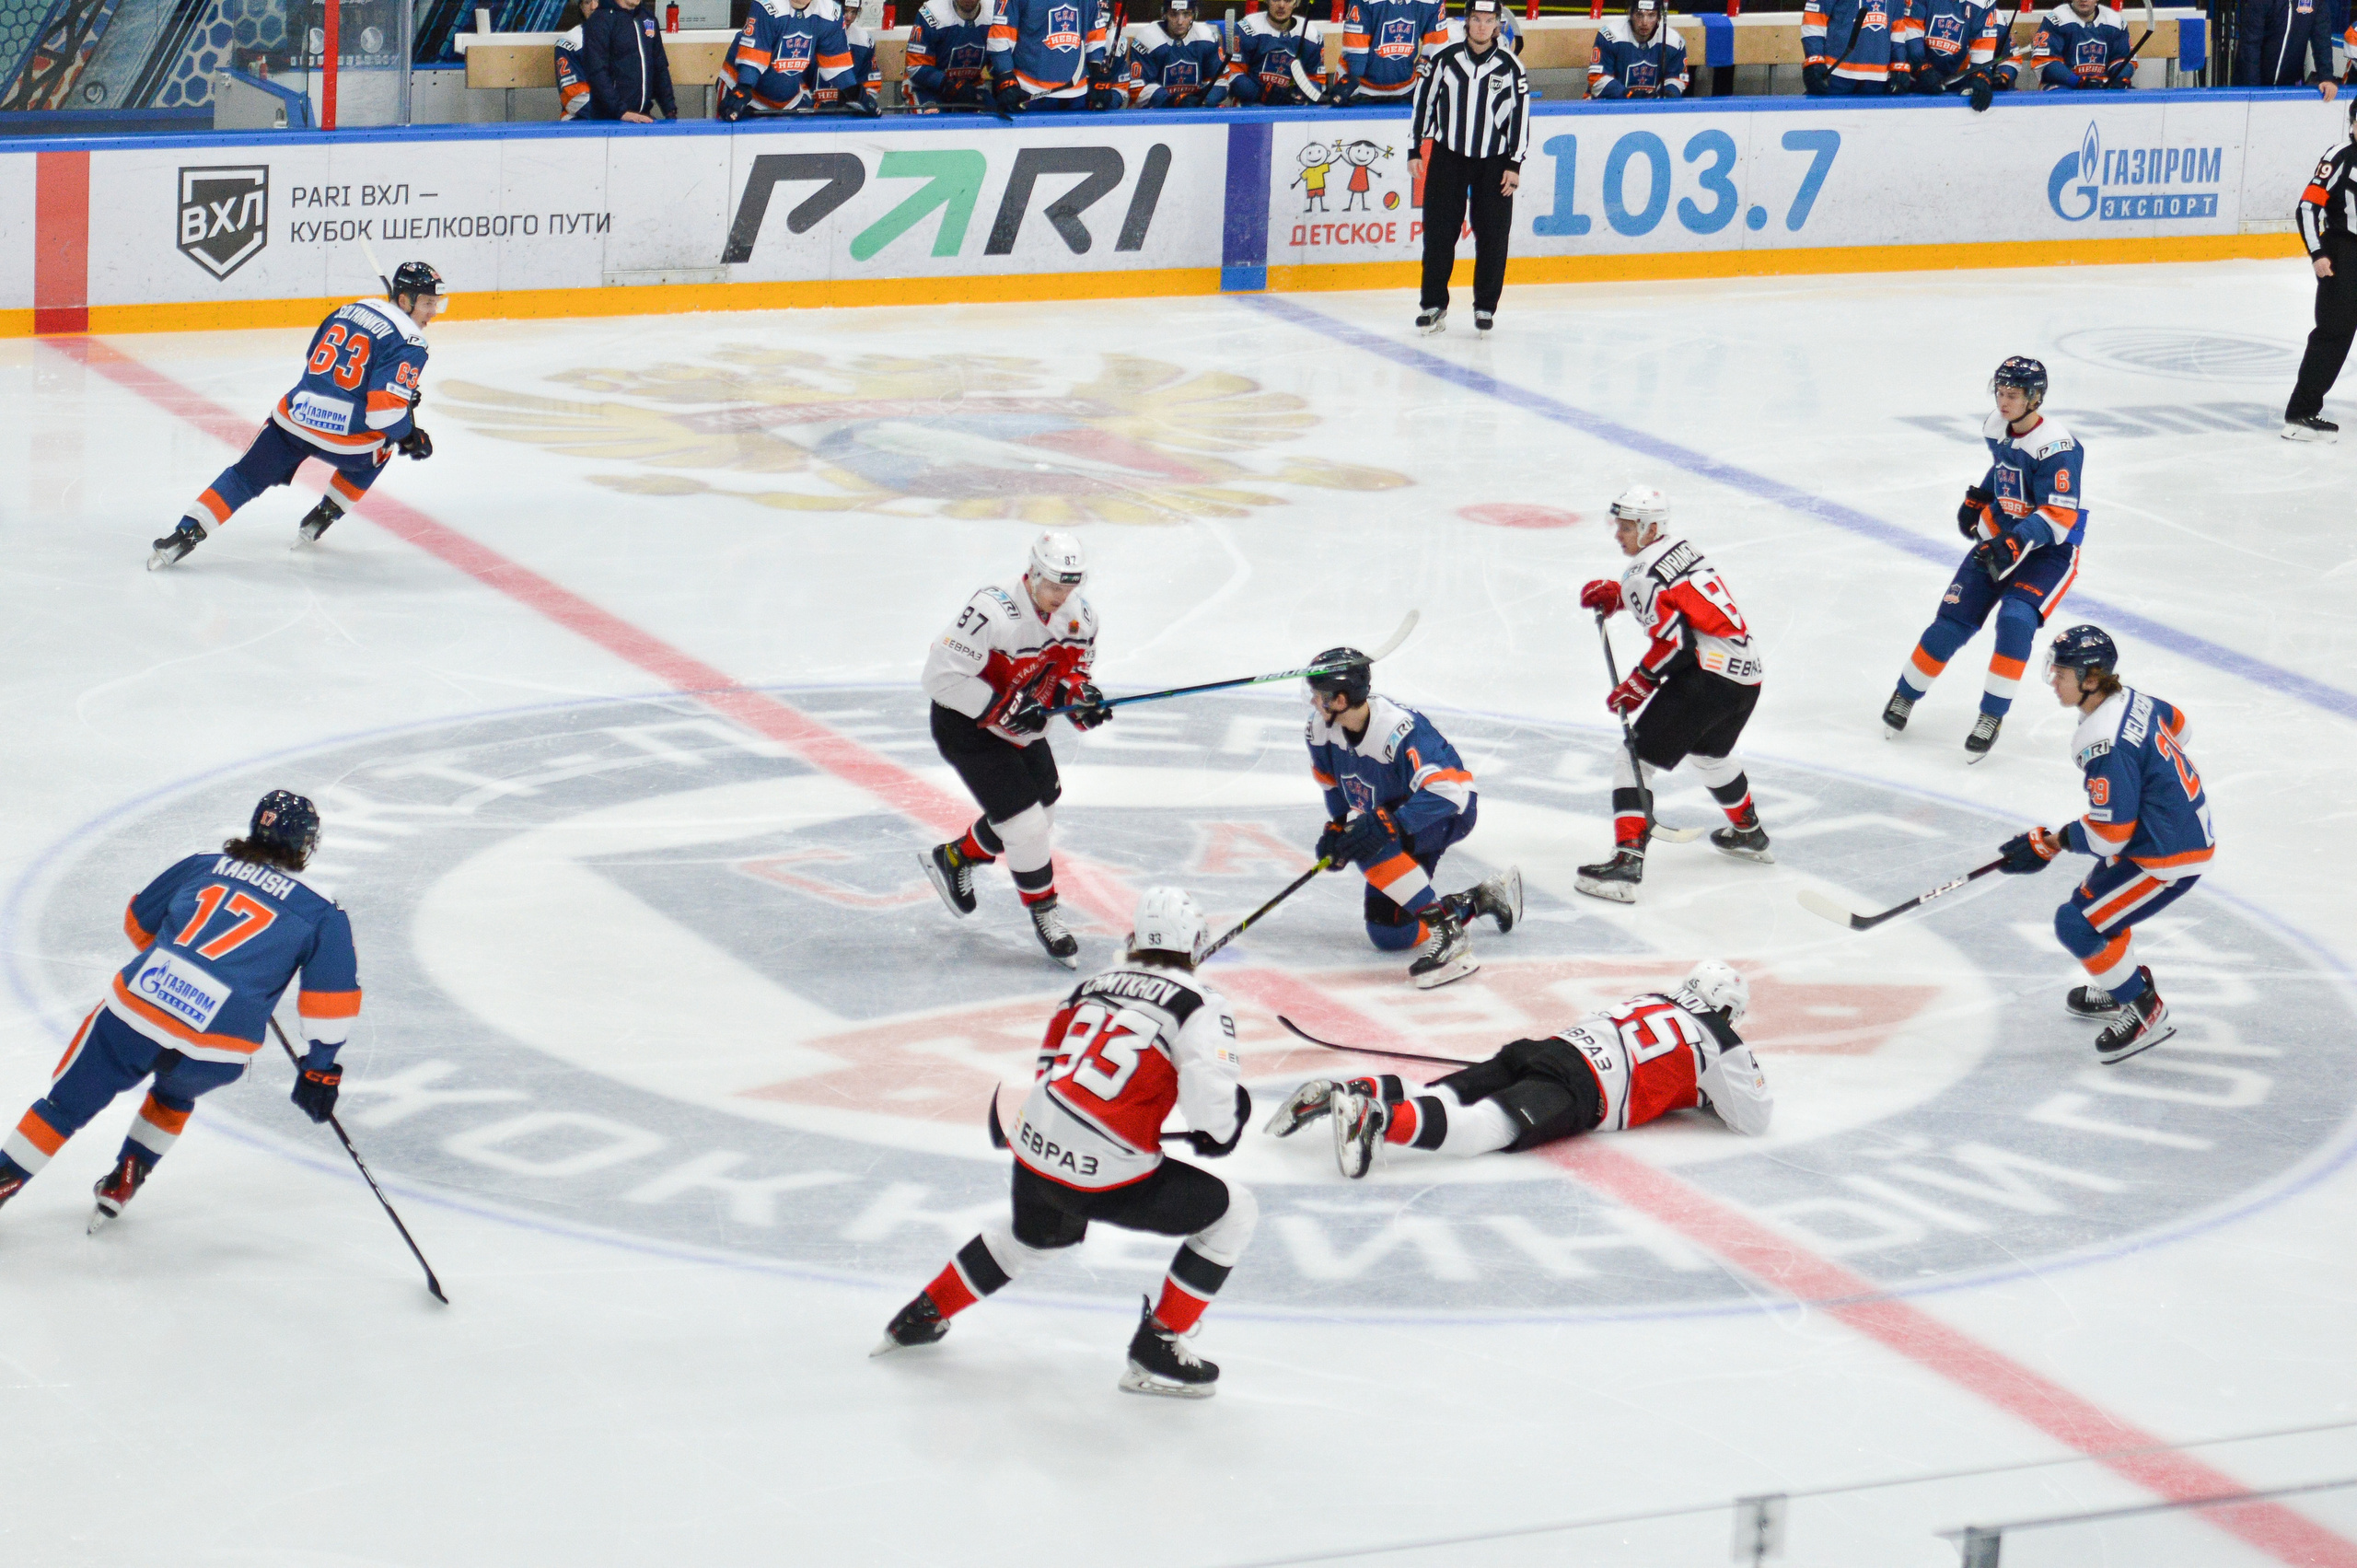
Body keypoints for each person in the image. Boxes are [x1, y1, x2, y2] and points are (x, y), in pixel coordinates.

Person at [874, 888, 1254, 1398]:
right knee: (1236, 1213)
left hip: (1033, 1147)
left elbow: (1052, 1068)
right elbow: (1213, 1108)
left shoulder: (1089, 985)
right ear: (1196, 943)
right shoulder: (1201, 1005)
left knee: (1031, 1240)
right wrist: (1222, 1130)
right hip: (1107, 1174)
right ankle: (1158, 1345)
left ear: (1135, 938)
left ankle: (923, 1313)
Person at [0, 793, 359, 1227]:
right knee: (174, 1094)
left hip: (138, 1012)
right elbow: (329, 1005)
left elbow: (138, 922)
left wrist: (184, 966)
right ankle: (127, 1176)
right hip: (220, 1046)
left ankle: (6, 1179)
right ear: (304, 843)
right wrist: (319, 1070)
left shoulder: (202, 864)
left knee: (64, 1107)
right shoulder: (323, 912)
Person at [1266, 961, 1771, 1179]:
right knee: (1483, 1129)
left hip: (1546, 1048)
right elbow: (1754, 1117)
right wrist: (1703, 1095)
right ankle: (1373, 1118)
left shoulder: (1653, 997)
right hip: (1582, 1088)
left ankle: (1347, 1091)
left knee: (1442, 1095)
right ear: (1725, 1008)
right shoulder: (1720, 1037)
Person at [1992, 626, 2212, 1063]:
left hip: (2165, 854)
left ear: (2091, 679)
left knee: (2076, 923)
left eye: (2062, 673)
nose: (2053, 679)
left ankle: (2144, 1008)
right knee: (2095, 905)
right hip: (2168, 831)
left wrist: (2052, 844)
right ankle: (2122, 985)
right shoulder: (2132, 700)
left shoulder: (2104, 740)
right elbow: (2180, 727)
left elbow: (2111, 834)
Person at [148, 262, 440, 571]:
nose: (433, 311)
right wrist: (409, 434)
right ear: (405, 300)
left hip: (294, 419)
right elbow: (384, 415)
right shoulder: (411, 341)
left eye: (436, 303)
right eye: (427, 303)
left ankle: (185, 534)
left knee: (244, 476)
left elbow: (316, 357)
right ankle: (326, 513)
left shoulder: (350, 309)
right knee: (382, 448)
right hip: (347, 443)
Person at [919, 532, 1110, 968]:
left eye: (1069, 587)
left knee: (1042, 813)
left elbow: (1070, 674)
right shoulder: (991, 610)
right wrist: (1005, 708)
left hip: (1021, 727)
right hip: (965, 725)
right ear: (1033, 573)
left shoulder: (1080, 617)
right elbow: (939, 678)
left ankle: (955, 857)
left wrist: (1083, 701)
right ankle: (1044, 910)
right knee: (1025, 825)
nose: (1061, 597)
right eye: (1054, 586)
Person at [1573, 486, 1771, 903]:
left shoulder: (1640, 573)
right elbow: (1678, 595)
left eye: (1626, 527)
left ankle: (1627, 862)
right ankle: (1748, 831)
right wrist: (1625, 597)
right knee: (1710, 754)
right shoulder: (1681, 547)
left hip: (1708, 679)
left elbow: (1676, 646)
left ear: (1649, 528)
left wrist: (1638, 684)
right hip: (1747, 677)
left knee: (1633, 759)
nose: (1618, 535)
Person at [1880, 355, 2084, 759]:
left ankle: (1991, 715)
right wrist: (1981, 495)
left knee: (2015, 621)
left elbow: (2058, 515)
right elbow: (2006, 464)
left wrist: (2014, 541)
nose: (2003, 402)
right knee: (1950, 623)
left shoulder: (2058, 447)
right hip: (2003, 539)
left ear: (2035, 398)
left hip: (2047, 553)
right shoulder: (1997, 426)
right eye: (2000, 393)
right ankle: (1904, 695)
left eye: (2013, 395)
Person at [1304, 648, 1520, 989]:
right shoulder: (1320, 730)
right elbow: (1334, 788)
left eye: (1320, 695)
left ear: (1341, 700)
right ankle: (1477, 900)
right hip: (1395, 812)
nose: (1314, 701)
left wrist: (1390, 825)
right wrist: (1338, 827)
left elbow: (1450, 793)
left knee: (1371, 842)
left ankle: (1450, 937)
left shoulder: (1399, 730)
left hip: (1442, 814)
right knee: (1390, 935)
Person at [1407, 0, 1528, 336]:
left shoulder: (1511, 67)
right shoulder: (1444, 60)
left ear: (1497, 24)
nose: (1481, 26)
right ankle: (1433, 305)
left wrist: (1515, 163)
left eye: (1488, 20)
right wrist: (1414, 149)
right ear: (1467, 21)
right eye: (1475, 19)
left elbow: (1520, 118)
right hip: (1448, 158)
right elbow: (1424, 104)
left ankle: (1485, 307)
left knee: (1492, 236)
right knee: (1439, 235)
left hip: (1495, 162)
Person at [2286, 100, 2357, 441]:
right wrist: (2317, 252)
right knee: (2334, 333)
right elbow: (2307, 206)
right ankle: (2300, 413)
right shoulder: (2339, 155)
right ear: (2353, 122)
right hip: (2344, 253)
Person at [716, 0, 855, 116]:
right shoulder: (767, 5)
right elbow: (753, 57)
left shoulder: (830, 12)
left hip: (789, 96)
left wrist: (856, 93)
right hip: (742, 88)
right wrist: (743, 87)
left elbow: (837, 61)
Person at [989, 0, 1121, 110]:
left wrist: (1096, 71)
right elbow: (1000, 38)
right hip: (1030, 91)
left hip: (1078, 94)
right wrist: (1005, 75)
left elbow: (1094, 37)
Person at [1330, 0, 1446, 104]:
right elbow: (1356, 45)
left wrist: (1424, 78)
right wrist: (1354, 75)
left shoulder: (1432, 2)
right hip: (1359, 86)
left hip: (1406, 87)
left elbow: (1436, 49)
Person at [579, 0, 679, 120]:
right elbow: (596, 71)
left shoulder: (648, 18)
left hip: (643, 117)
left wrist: (670, 110)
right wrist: (621, 112)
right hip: (609, 120)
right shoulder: (600, 20)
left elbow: (659, 66)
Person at [1122, 0, 1229, 106]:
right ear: (1164, 14)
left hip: (1196, 109)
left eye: (1186, 14)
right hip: (1158, 113)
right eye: (1174, 14)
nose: (1180, 21)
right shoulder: (1148, 39)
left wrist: (1205, 100)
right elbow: (1138, 88)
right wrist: (1176, 100)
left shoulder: (1206, 37)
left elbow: (1221, 82)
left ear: (1193, 15)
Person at [1802, 0, 1920, 95]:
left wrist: (1898, 64)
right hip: (1836, 75)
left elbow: (1897, 28)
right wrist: (1814, 60)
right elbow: (1814, 20)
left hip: (1878, 78)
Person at [1909, 0, 2012, 108]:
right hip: (1916, 82)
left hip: (1958, 82)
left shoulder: (1984, 4)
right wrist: (1920, 67)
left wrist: (1982, 76)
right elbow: (1911, 32)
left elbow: (1982, 45)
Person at [1225, 0, 1326, 103]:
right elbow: (1233, 75)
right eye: (1276, 0)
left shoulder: (1311, 35)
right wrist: (1262, 94)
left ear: (1296, 3)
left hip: (1291, 109)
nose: (1281, 5)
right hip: (1251, 106)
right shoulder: (1247, 28)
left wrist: (1298, 96)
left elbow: (1316, 81)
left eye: (1288, 1)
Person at [903, 0, 997, 110]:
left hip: (971, 86)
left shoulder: (995, 13)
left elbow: (999, 59)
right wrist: (946, 84)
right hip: (926, 88)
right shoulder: (932, 13)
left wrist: (1006, 82)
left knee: (995, 119)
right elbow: (916, 66)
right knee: (932, 122)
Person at [2235, 0, 2340, 94]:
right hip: (2254, 85)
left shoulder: (2316, 2)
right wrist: (2254, 90)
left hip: (2291, 87)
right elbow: (2250, 45)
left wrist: (2326, 78)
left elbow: (2322, 40)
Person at [1589, 0, 1689, 99]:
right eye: (1639, 15)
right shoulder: (1611, 35)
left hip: (1652, 107)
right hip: (1610, 105)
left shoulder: (1674, 41)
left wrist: (1667, 94)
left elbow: (1676, 78)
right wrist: (1629, 95)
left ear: (1659, 17)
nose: (1644, 22)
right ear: (1631, 14)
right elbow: (1597, 78)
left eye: (1651, 15)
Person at [2025, 0, 2134, 88]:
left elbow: (2123, 59)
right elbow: (2046, 63)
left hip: (2102, 84)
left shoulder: (2114, 21)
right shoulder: (2057, 19)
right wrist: (2078, 82)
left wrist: (2121, 78)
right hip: (2063, 85)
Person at [554, 0, 600, 118]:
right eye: (587, 2)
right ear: (581, 7)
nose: (593, 7)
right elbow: (575, 100)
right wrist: (619, 114)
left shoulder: (630, 37)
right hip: (581, 124)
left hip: (626, 120)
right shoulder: (570, 42)